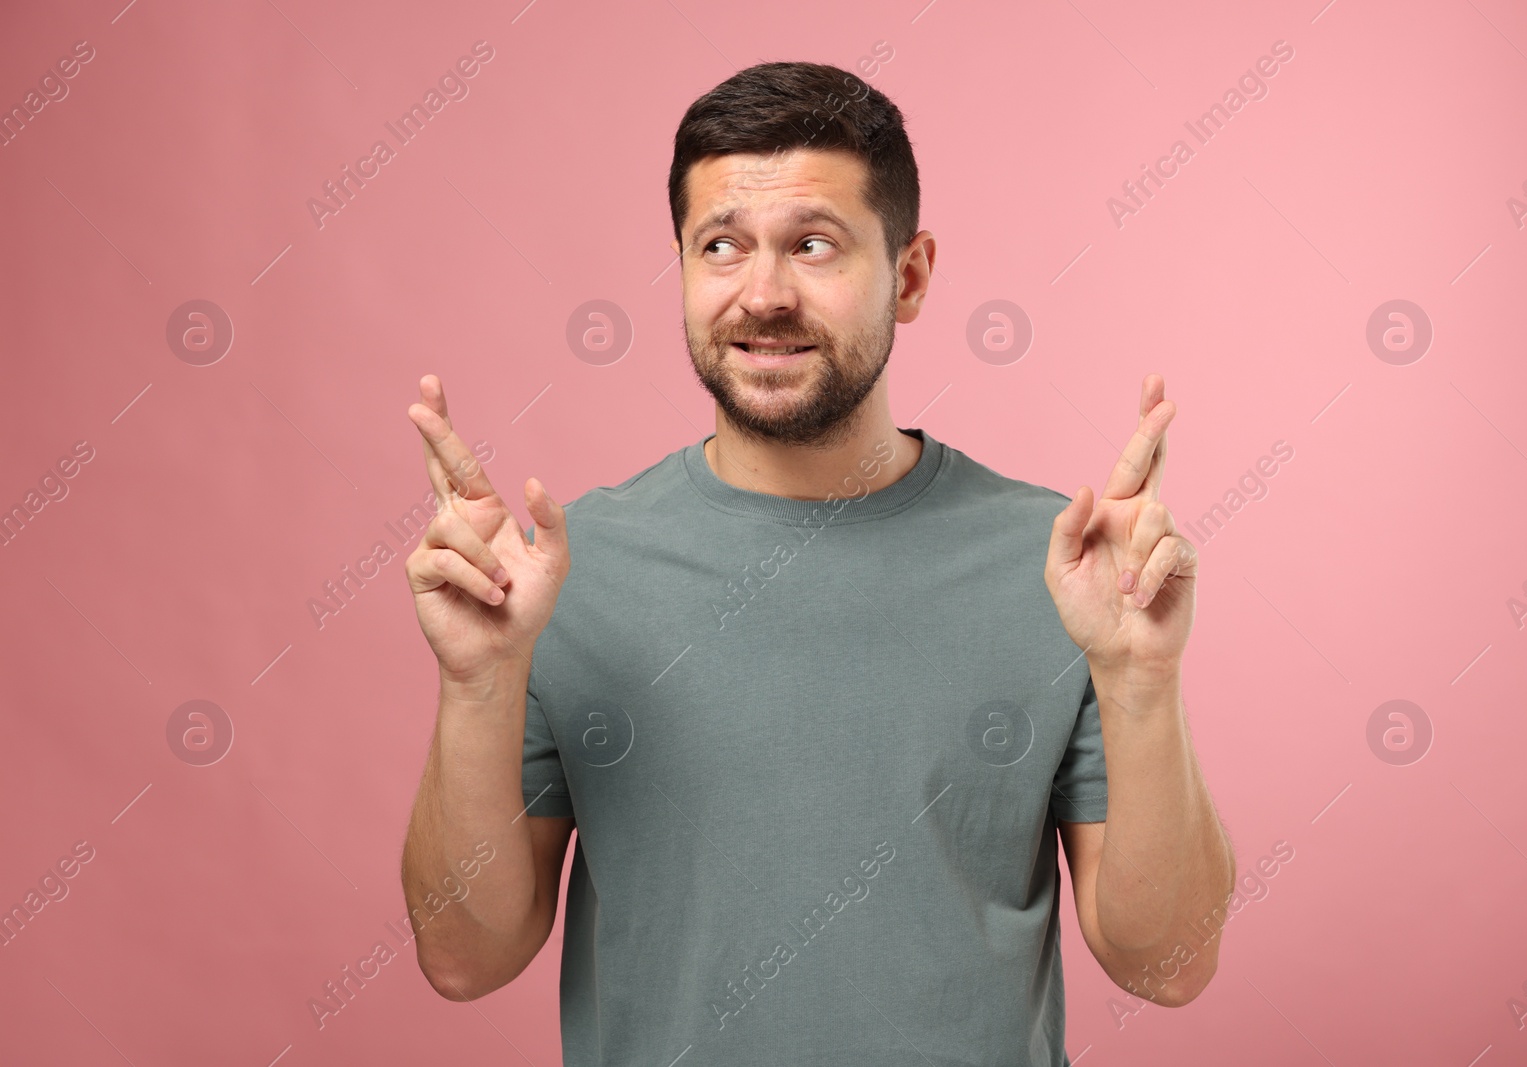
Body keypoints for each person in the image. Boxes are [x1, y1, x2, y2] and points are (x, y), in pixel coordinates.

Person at [399, 60, 1234, 1065]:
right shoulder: (557, 579)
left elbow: (1169, 963)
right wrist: (479, 682)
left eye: (811, 244)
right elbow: (463, 957)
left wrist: (1141, 680)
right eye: (720, 246)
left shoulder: (1063, 569)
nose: (763, 294)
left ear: (911, 274)